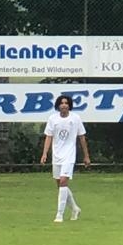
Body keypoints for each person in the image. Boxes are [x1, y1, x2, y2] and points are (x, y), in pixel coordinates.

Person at [40, 94, 91, 223]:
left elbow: (82, 137)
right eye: (62, 103)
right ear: (58, 105)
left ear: (69, 106)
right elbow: (49, 137)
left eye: (66, 103)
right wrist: (45, 153)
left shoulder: (75, 118)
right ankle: (75, 208)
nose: (64, 105)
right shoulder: (53, 119)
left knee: (63, 181)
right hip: (57, 155)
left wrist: (86, 156)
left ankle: (59, 214)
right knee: (59, 184)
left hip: (69, 155)